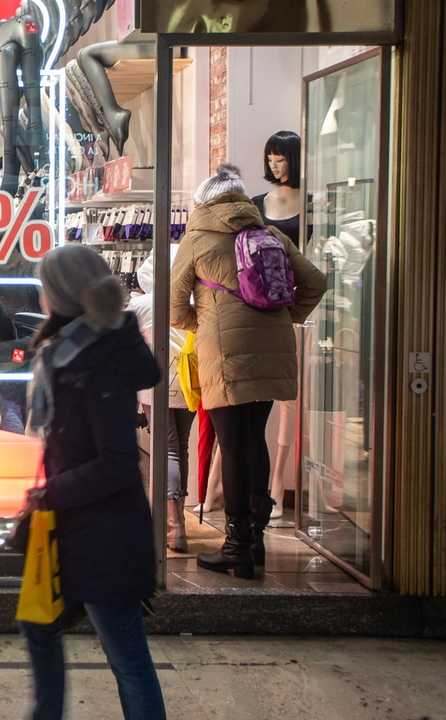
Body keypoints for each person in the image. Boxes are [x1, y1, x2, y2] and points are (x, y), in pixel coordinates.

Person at [22, 243, 166, 720]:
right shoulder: (70, 353)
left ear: (60, 297)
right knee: (40, 628)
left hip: (103, 533)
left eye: (46, 287)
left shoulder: (95, 362)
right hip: (76, 528)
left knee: (126, 656)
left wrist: (49, 493)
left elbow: (118, 463)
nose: (42, 296)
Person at [170, 164, 326, 579]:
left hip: (226, 353)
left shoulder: (198, 238)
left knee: (232, 444)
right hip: (273, 349)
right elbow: (315, 282)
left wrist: (204, 325)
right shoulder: (270, 234)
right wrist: (283, 317)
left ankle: (236, 546)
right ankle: (255, 541)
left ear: (204, 201)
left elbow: (172, 303)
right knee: (254, 438)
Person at [127, 247, 196, 551]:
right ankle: (178, 517)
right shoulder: (194, 303)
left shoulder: (141, 304)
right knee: (181, 447)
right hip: (189, 383)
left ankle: (173, 525)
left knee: (165, 449)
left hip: (155, 384)